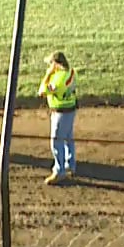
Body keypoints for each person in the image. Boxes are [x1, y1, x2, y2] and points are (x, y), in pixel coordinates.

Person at [40, 51, 78, 185]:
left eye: (50, 64)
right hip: (71, 110)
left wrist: (48, 74)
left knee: (56, 141)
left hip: (61, 113)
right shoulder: (71, 73)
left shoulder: (57, 79)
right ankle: (70, 164)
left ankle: (59, 171)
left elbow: (42, 91)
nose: (49, 67)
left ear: (56, 64)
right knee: (68, 138)